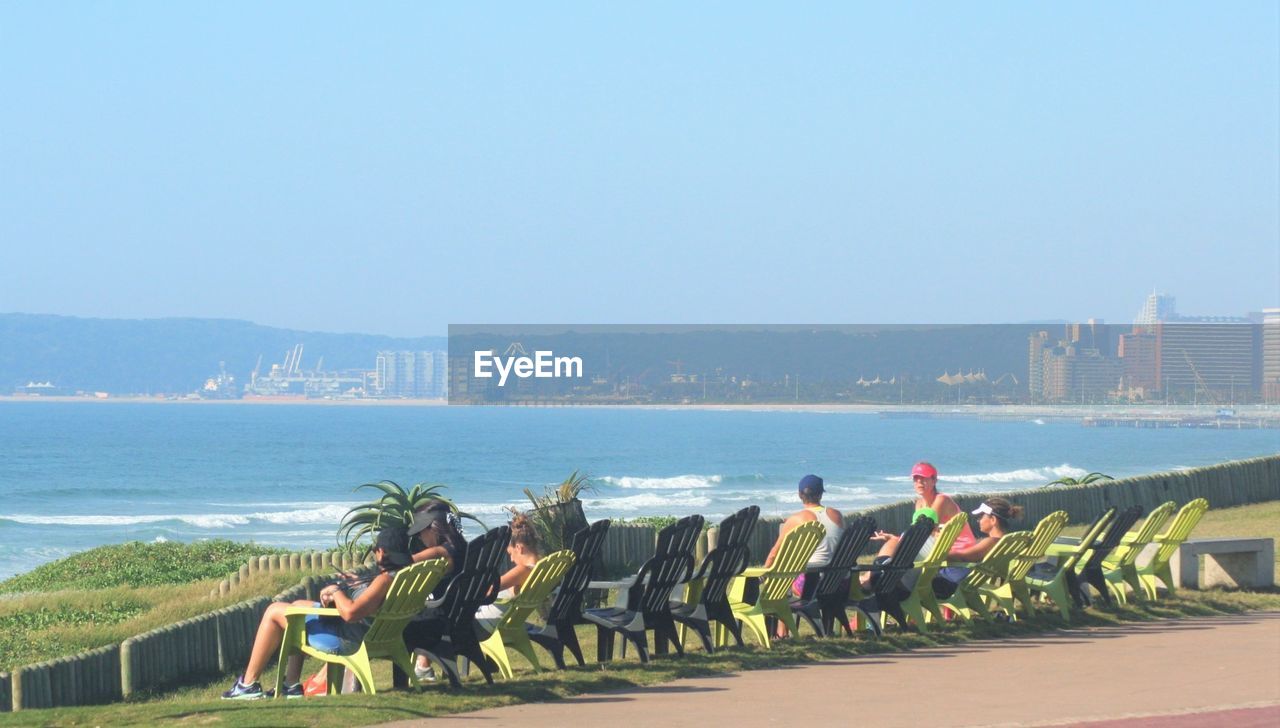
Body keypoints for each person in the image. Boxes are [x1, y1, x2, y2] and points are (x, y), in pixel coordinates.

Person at [221, 526, 413, 700]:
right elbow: (371, 603)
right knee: (297, 604)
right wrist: (360, 584)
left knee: (273, 611)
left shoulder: (384, 580)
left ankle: (248, 685)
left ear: (382, 552)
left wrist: (336, 592)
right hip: (373, 633)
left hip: (350, 639)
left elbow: (350, 613)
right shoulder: (404, 576)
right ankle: (291, 685)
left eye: (375, 551)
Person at [764, 474, 843, 637]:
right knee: (785, 582)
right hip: (838, 583)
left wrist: (764, 573)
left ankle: (781, 633)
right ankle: (783, 632)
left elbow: (774, 553)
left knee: (781, 584)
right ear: (821, 494)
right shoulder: (837, 515)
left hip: (811, 585)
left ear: (800, 495)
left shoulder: (796, 519)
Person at [405, 499, 469, 682]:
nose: (418, 537)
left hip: (438, 624)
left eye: (421, 531)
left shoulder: (441, 552)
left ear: (433, 528)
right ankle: (423, 666)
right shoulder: (463, 548)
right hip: (459, 619)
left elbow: (404, 562)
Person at [931, 497, 1023, 598]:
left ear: (993, 520)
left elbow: (962, 557)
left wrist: (935, 554)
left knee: (918, 581)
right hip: (967, 581)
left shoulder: (991, 542)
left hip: (955, 583)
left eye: (981, 517)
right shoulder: (1006, 541)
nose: (978, 520)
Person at [475, 512, 541, 621]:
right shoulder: (541, 569)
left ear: (519, 548)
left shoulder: (523, 570)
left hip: (484, 623)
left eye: (510, 553)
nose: (511, 559)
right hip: (507, 621)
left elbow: (489, 590)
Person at [909, 462, 979, 555]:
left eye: (923, 478)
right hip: (940, 549)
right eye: (916, 478)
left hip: (960, 550)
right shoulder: (919, 503)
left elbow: (927, 528)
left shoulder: (942, 500)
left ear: (934, 481)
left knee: (901, 547)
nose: (919, 482)